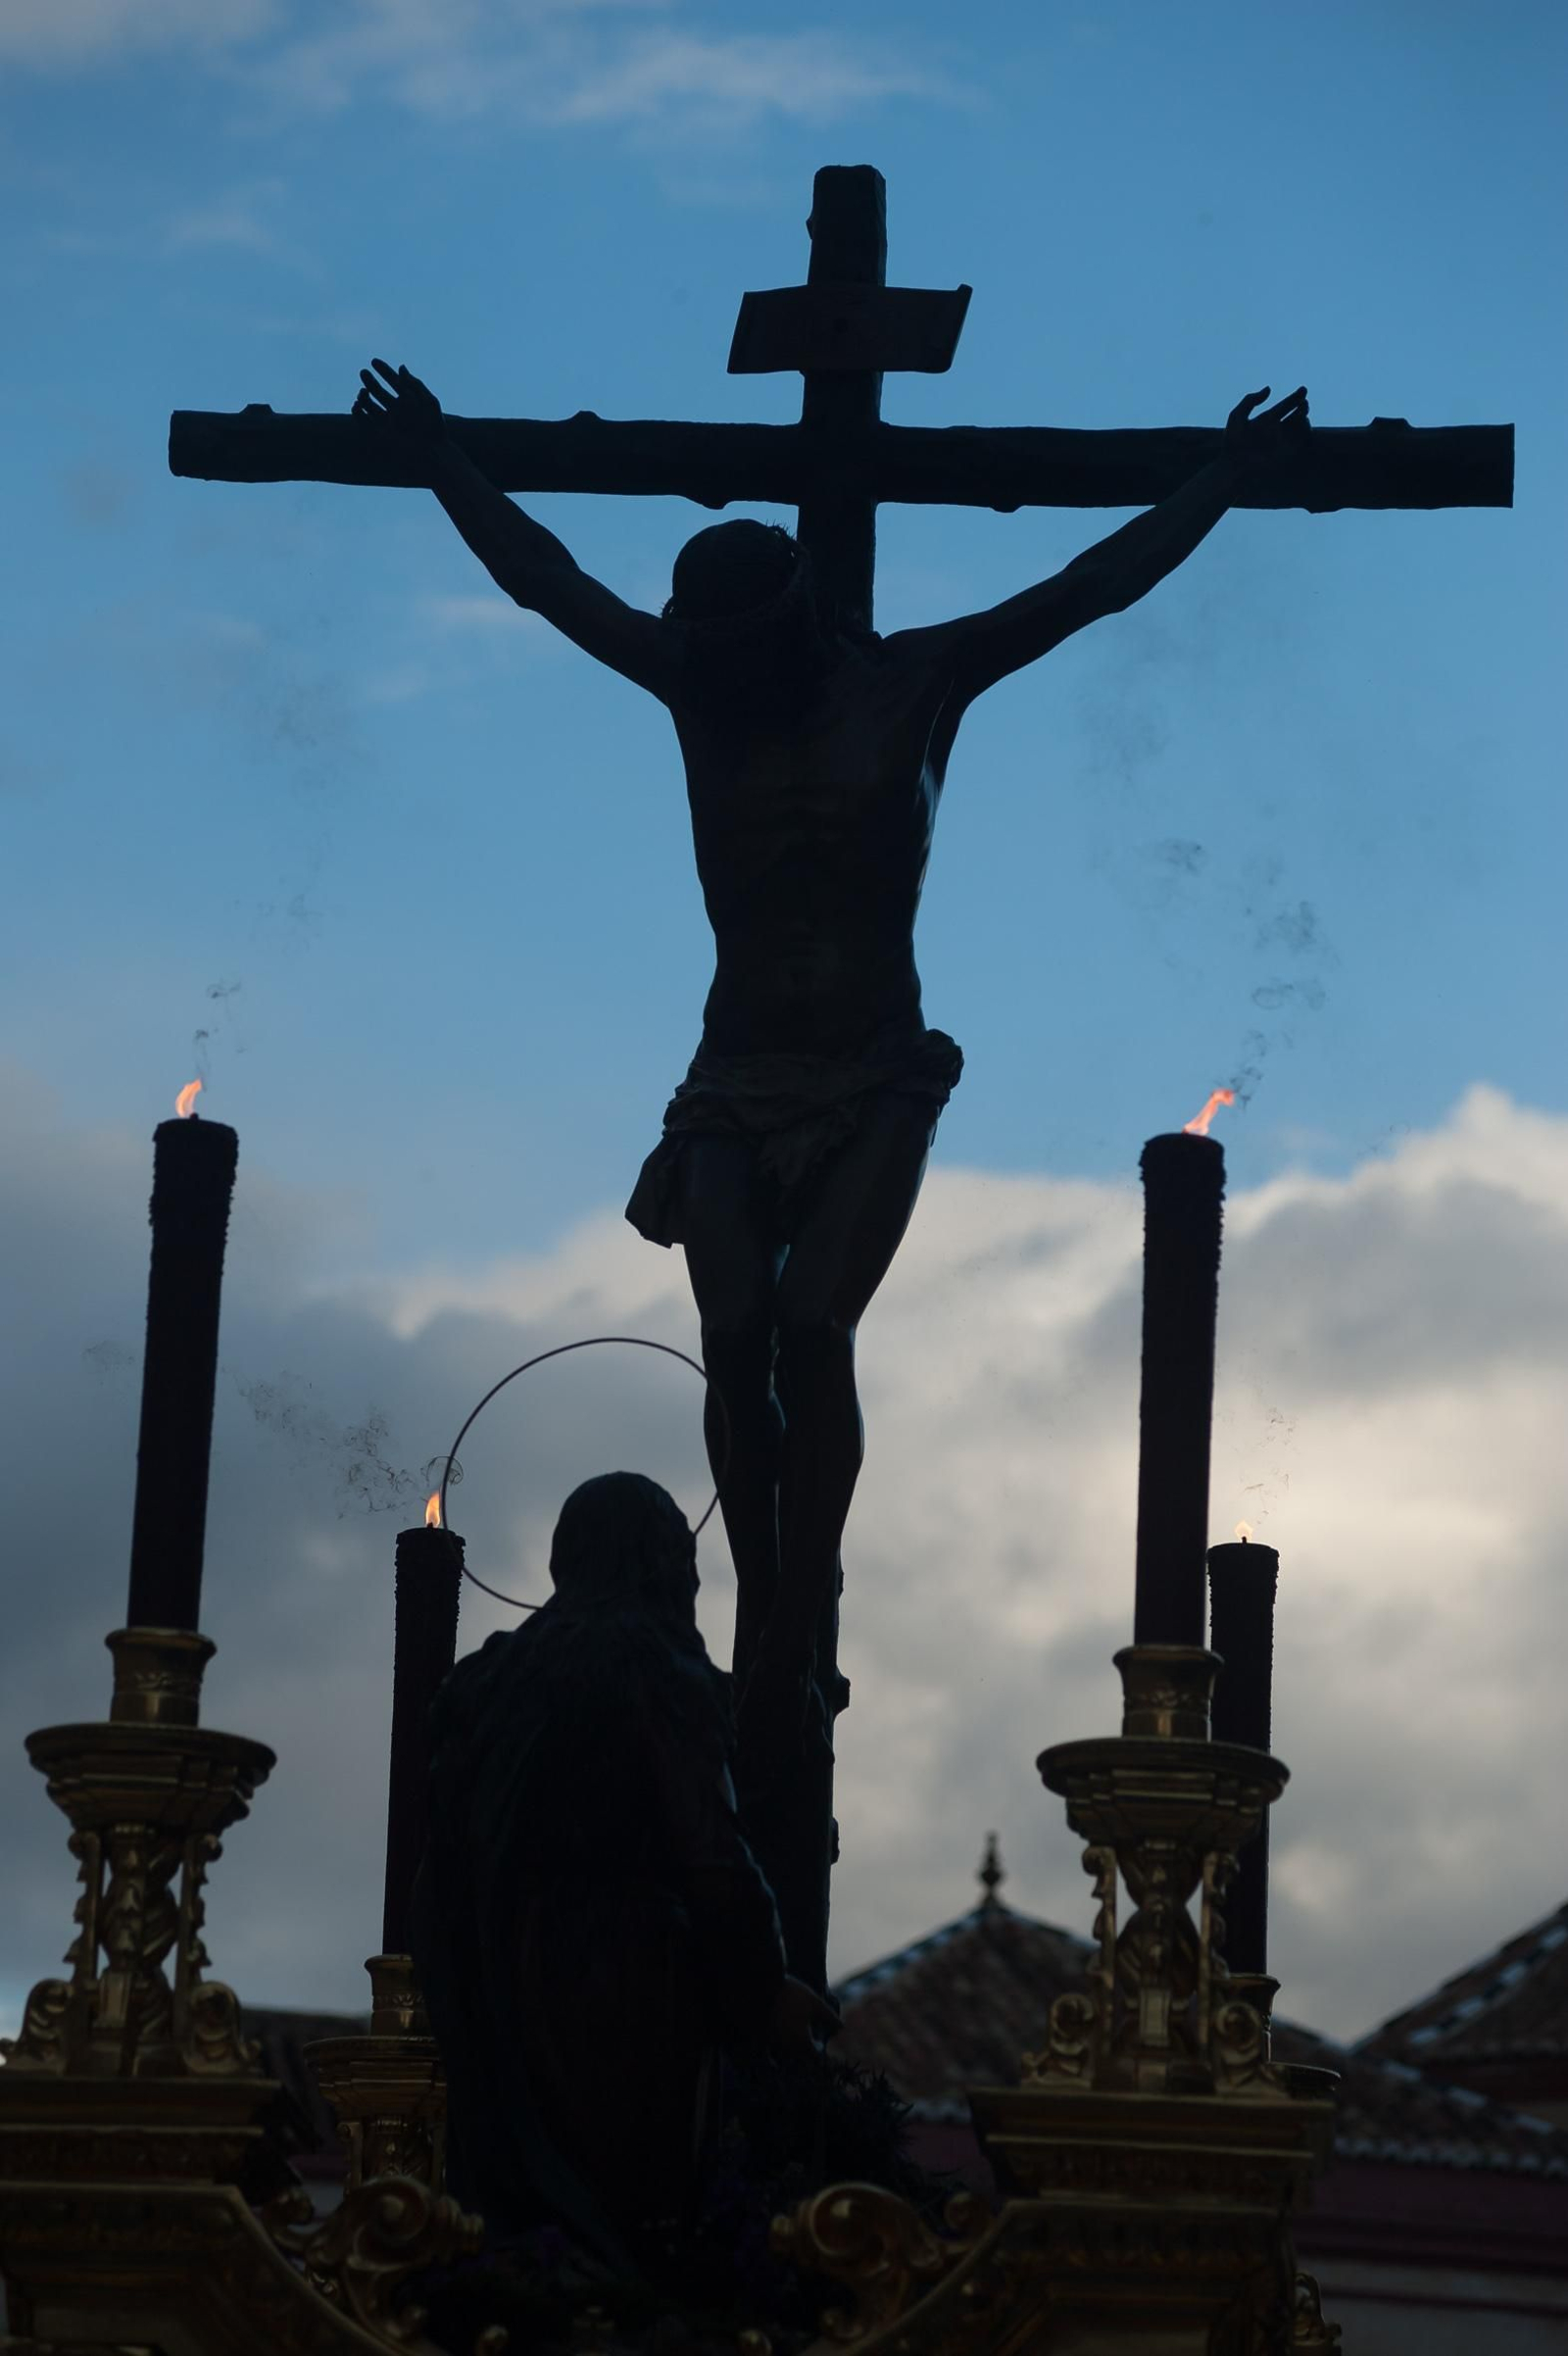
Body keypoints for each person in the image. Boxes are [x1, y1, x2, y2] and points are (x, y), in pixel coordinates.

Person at [357, 361, 1309, 1984]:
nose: (730, 672)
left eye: (749, 648)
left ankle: (788, 1625)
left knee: (809, 1330)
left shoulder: (915, 681)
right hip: (733, 1078)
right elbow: (543, 578)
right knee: (733, 1330)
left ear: (803, 618)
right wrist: (442, 455)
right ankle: (766, 1610)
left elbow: (1088, 584)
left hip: (872, 1071)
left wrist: (1217, 479)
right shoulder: (691, 683)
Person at [411, 1472, 833, 2276]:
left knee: (519, 2216)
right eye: (685, 1560)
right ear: (662, 1563)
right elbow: (710, 1850)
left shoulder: (486, 1677)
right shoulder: (654, 1661)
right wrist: (764, 1987)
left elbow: (442, 1863)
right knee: (626, 2237)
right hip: (624, 1987)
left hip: (495, 1979)